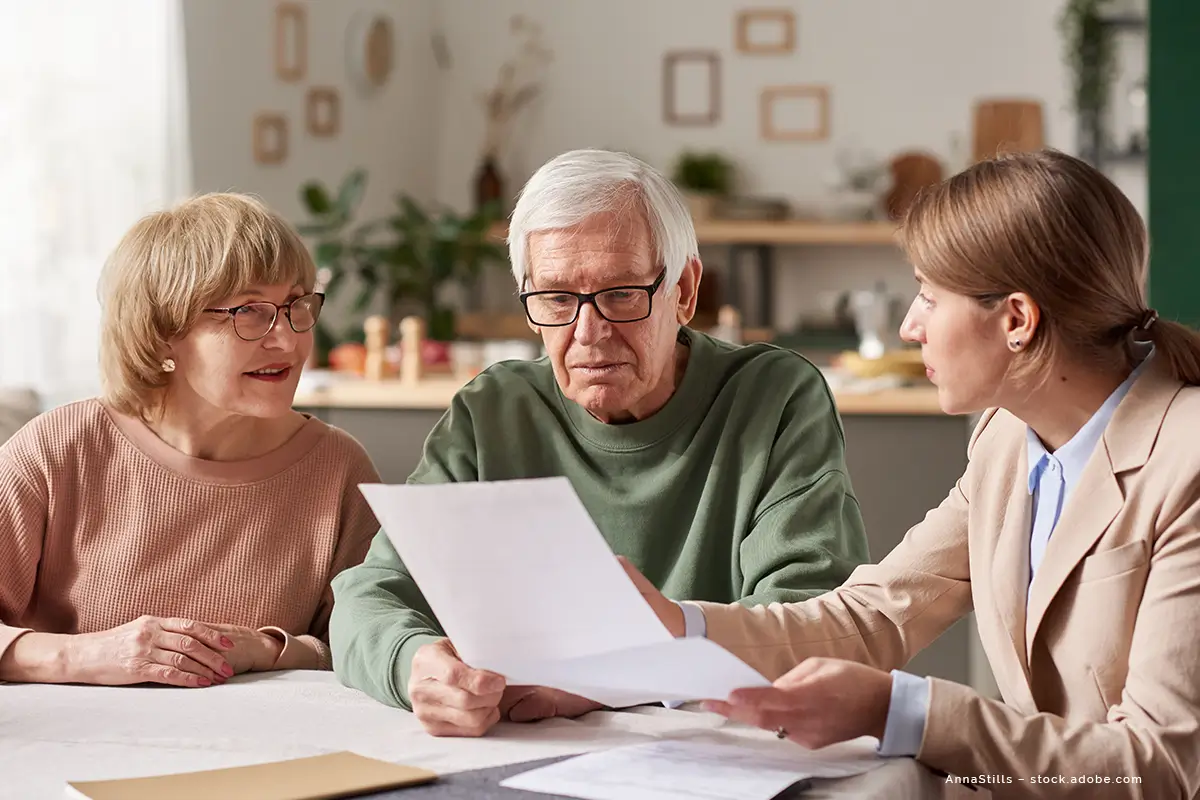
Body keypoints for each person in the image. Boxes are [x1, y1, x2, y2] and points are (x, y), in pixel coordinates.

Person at [625, 149, 1200, 797]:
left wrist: (909, 712)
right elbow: (875, 616)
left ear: (1016, 319)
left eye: (928, 296)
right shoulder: (1008, 438)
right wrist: (678, 626)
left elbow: (1160, 768)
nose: (908, 327)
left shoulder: (1189, 462)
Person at [330, 149, 870, 736]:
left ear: (684, 291)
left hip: (719, 754)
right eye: (558, 300)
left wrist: (610, 683)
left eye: (620, 293)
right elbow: (367, 597)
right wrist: (415, 666)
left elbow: (811, 625)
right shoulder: (494, 411)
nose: (589, 334)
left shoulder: (774, 397)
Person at [0, 193, 380, 689]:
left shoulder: (337, 466)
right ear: (161, 334)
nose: (288, 340)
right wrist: (86, 655)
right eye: (248, 311)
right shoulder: (59, 450)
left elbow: (375, 643)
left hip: (269, 752)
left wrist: (267, 648)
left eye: (295, 304)